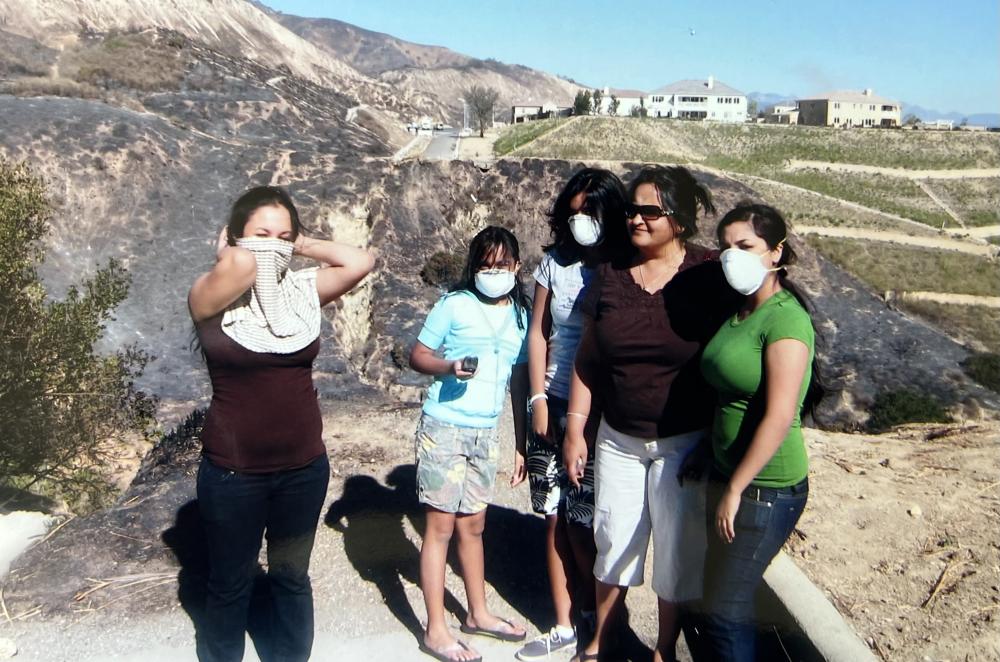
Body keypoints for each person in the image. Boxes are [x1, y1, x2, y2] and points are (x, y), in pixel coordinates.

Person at [187, 185, 375, 662]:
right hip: (234, 475)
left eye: (283, 237)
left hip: (303, 470)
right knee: (231, 585)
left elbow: (359, 262)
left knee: (291, 577)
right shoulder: (210, 297)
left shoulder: (301, 291)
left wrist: (299, 244)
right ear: (233, 238)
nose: (272, 246)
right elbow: (245, 268)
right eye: (261, 235)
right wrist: (237, 253)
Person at [562, 166, 740, 662]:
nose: (636, 219)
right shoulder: (611, 274)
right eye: (632, 210)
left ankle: (664, 649)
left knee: (678, 553)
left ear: (678, 220)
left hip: (683, 443)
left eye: (650, 211)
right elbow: (588, 358)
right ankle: (600, 640)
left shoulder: (707, 274)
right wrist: (576, 428)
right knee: (613, 539)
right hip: (618, 437)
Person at [516, 168, 631, 661]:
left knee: (585, 522)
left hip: (599, 416)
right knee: (551, 517)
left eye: (591, 211)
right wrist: (538, 400)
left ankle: (598, 614)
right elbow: (538, 333)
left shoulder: (622, 268)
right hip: (554, 405)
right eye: (575, 210)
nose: (581, 219)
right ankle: (563, 623)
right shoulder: (554, 265)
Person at [696, 203, 820, 661]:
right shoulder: (743, 312)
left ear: (776, 252)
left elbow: (780, 414)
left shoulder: (786, 319)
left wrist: (735, 487)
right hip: (733, 475)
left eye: (745, 246)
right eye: (725, 247)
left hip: (766, 489)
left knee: (727, 613)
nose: (733, 257)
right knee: (719, 602)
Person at [408, 225, 532, 662]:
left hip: (486, 431)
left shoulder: (522, 315)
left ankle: (477, 614)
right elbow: (417, 354)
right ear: (473, 267)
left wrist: (520, 441)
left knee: (474, 527)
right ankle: (435, 628)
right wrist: (447, 365)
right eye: (485, 264)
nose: (493, 272)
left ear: (517, 267)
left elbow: (520, 380)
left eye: (502, 264)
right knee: (439, 529)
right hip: (445, 427)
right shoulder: (453, 305)